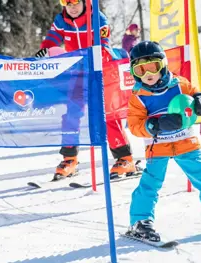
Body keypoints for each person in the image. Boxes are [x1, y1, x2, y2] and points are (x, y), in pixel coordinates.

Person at [125, 41, 201, 242]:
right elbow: (134, 125)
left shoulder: (178, 84)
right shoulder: (138, 97)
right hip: (157, 147)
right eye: (140, 69)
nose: (147, 73)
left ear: (163, 65)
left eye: (153, 66)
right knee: (150, 184)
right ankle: (141, 222)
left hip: (186, 143)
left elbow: (194, 92)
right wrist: (155, 125)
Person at [35, 0, 140, 179]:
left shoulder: (97, 18)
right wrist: (46, 49)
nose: (72, 6)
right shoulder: (61, 20)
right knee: (71, 115)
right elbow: (52, 38)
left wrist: (96, 54)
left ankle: (125, 158)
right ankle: (70, 159)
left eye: (75, 2)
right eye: (66, 2)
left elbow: (104, 44)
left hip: (100, 72)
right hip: (77, 74)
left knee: (108, 114)